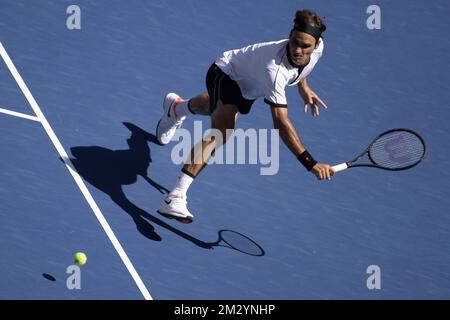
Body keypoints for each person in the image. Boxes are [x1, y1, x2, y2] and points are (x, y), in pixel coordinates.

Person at [155, 9, 334, 223]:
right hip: (226, 72)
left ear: (316, 45)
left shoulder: (318, 49)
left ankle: (176, 108)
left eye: (305, 46)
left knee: (215, 106)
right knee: (222, 132)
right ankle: (175, 196)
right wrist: (310, 163)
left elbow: (304, 66)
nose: (297, 49)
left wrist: (304, 87)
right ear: (290, 34)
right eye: (294, 41)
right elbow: (281, 123)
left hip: (251, 85)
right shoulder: (275, 71)